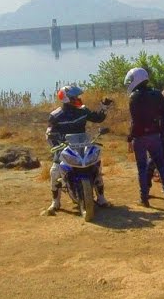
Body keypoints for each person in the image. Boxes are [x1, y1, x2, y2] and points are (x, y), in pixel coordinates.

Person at [43, 84, 113, 215]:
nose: (78, 99)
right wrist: (55, 146)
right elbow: (49, 134)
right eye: (74, 97)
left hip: (83, 146)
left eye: (77, 96)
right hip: (65, 148)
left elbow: (98, 118)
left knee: (96, 167)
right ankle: (55, 202)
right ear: (66, 99)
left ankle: (101, 198)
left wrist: (104, 106)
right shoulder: (55, 115)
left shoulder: (83, 110)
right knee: (54, 172)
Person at [125, 67, 164, 207]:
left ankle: (144, 198)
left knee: (142, 167)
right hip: (155, 135)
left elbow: (134, 121)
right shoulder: (157, 95)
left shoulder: (134, 97)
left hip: (140, 137)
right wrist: (161, 130)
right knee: (161, 165)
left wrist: (130, 138)